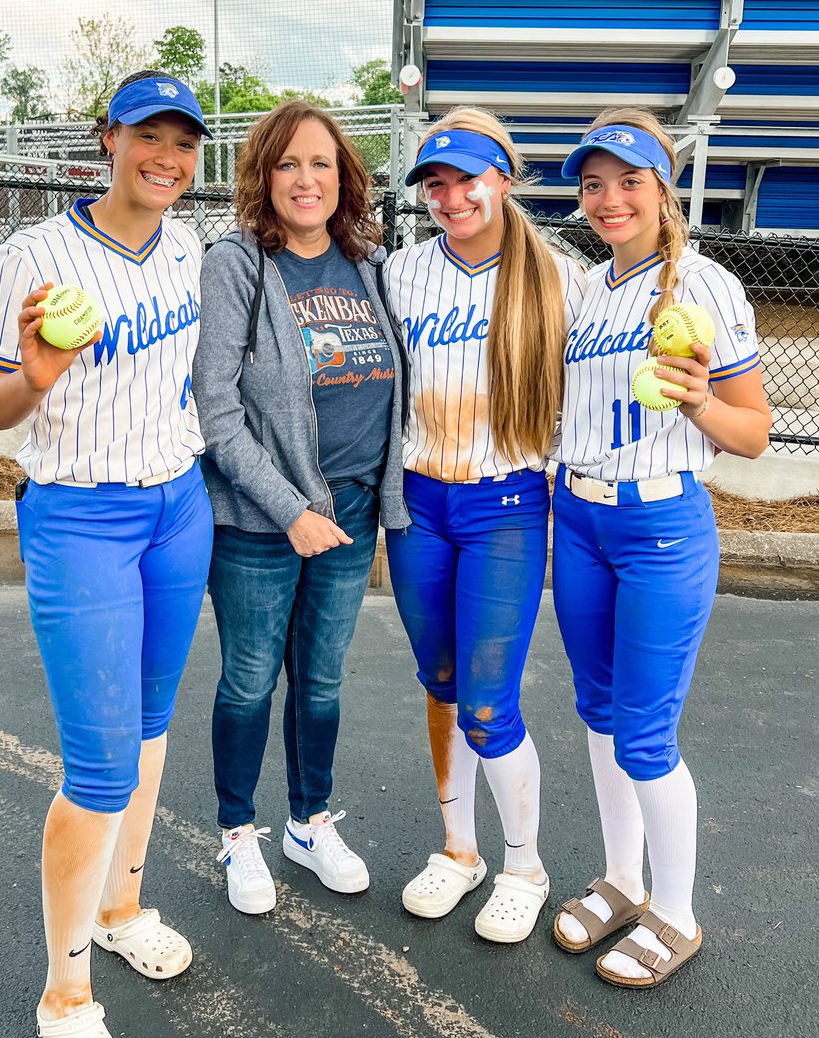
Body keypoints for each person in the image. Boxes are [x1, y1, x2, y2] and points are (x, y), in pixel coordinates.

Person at [0, 72, 215, 1038]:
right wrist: (31, 375)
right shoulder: (35, 251)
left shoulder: (187, 244)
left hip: (176, 507)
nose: (166, 156)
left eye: (184, 141)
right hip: (80, 517)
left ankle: (121, 910)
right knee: (99, 765)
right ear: (105, 139)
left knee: (150, 728)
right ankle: (64, 992)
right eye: (147, 135)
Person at [550, 108, 771, 986]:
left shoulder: (705, 285)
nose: (608, 199)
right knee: (599, 716)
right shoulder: (590, 289)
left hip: (660, 525)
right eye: (593, 183)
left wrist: (694, 405)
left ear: (662, 186)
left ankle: (676, 913)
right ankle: (623, 878)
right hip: (580, 517)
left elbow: (752, 434)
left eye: (628, 180)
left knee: (645, 732)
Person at [192, 100, 410, 915]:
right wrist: (289, 509)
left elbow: (395, 390)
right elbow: (217, 412)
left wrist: (379, 507)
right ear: (263, 176)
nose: (305, 179)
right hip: (261, 522)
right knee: (250, 681)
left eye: (321, 163)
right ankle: (238, 833)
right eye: (287, 164)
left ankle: (309, 822)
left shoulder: (369, 262)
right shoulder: (237, 263)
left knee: (319, 681)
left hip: (350, 513)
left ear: (345, 175)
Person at [383, 107, 586, 943]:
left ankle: (525, 865)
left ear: (504, 178)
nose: (451, 196)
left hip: (506, 503)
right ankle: (458, 851)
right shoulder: (399, 273)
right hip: (419, 503)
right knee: (442, 686)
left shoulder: (562, 276)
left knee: (489, 706)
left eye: (467, 177)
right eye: (435, 182)